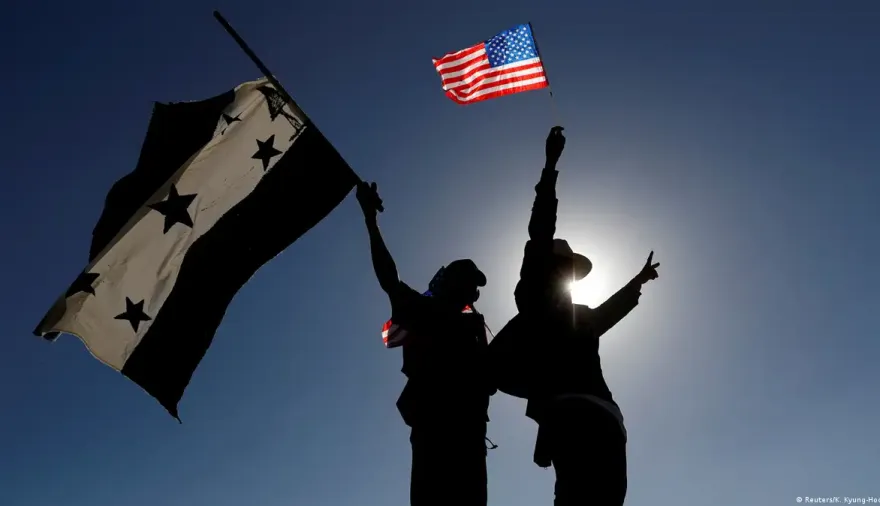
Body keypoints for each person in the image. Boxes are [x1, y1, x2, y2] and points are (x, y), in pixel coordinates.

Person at [488, 126, 660, 506]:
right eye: (563, 265)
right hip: (575, 417)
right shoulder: (533, 302)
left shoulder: (580, 316)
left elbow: (609, 313)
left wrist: (638, 281)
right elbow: (540, 229)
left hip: (603, 420)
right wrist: (550, 164)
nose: (567, 273)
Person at [356, 180, 496, 506]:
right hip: (435, 432)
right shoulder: (423, 309)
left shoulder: (473, 325)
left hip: (471, 438)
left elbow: (489, 382)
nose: (473, 293)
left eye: (474, 287)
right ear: (451, 283)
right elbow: (389, 279)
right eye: (468, 283)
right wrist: (371, 222)